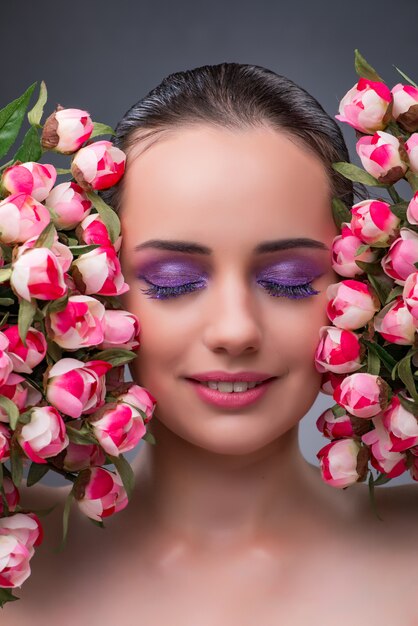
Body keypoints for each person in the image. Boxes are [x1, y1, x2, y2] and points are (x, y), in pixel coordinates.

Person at [5, 62, 418, 625]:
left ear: (368, 282)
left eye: (288, 280)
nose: (235, 330)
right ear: (92, 288)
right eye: (175, 281)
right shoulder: (12, 550)